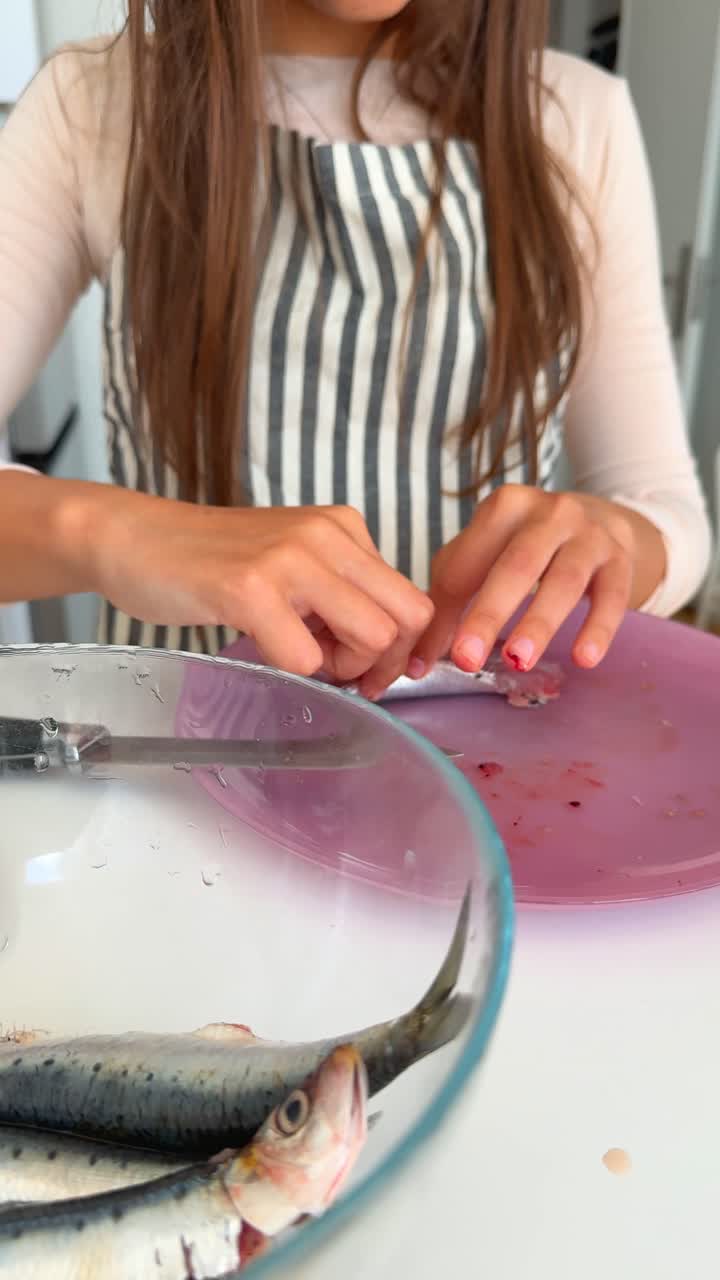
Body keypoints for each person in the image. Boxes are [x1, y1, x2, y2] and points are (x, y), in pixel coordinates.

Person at [0, 0, 711, 700]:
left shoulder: (575, 115)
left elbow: (667, 510)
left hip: (491, 777)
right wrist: (113, 532)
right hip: (172, 773)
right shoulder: (94, 103)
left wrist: (614, 538)